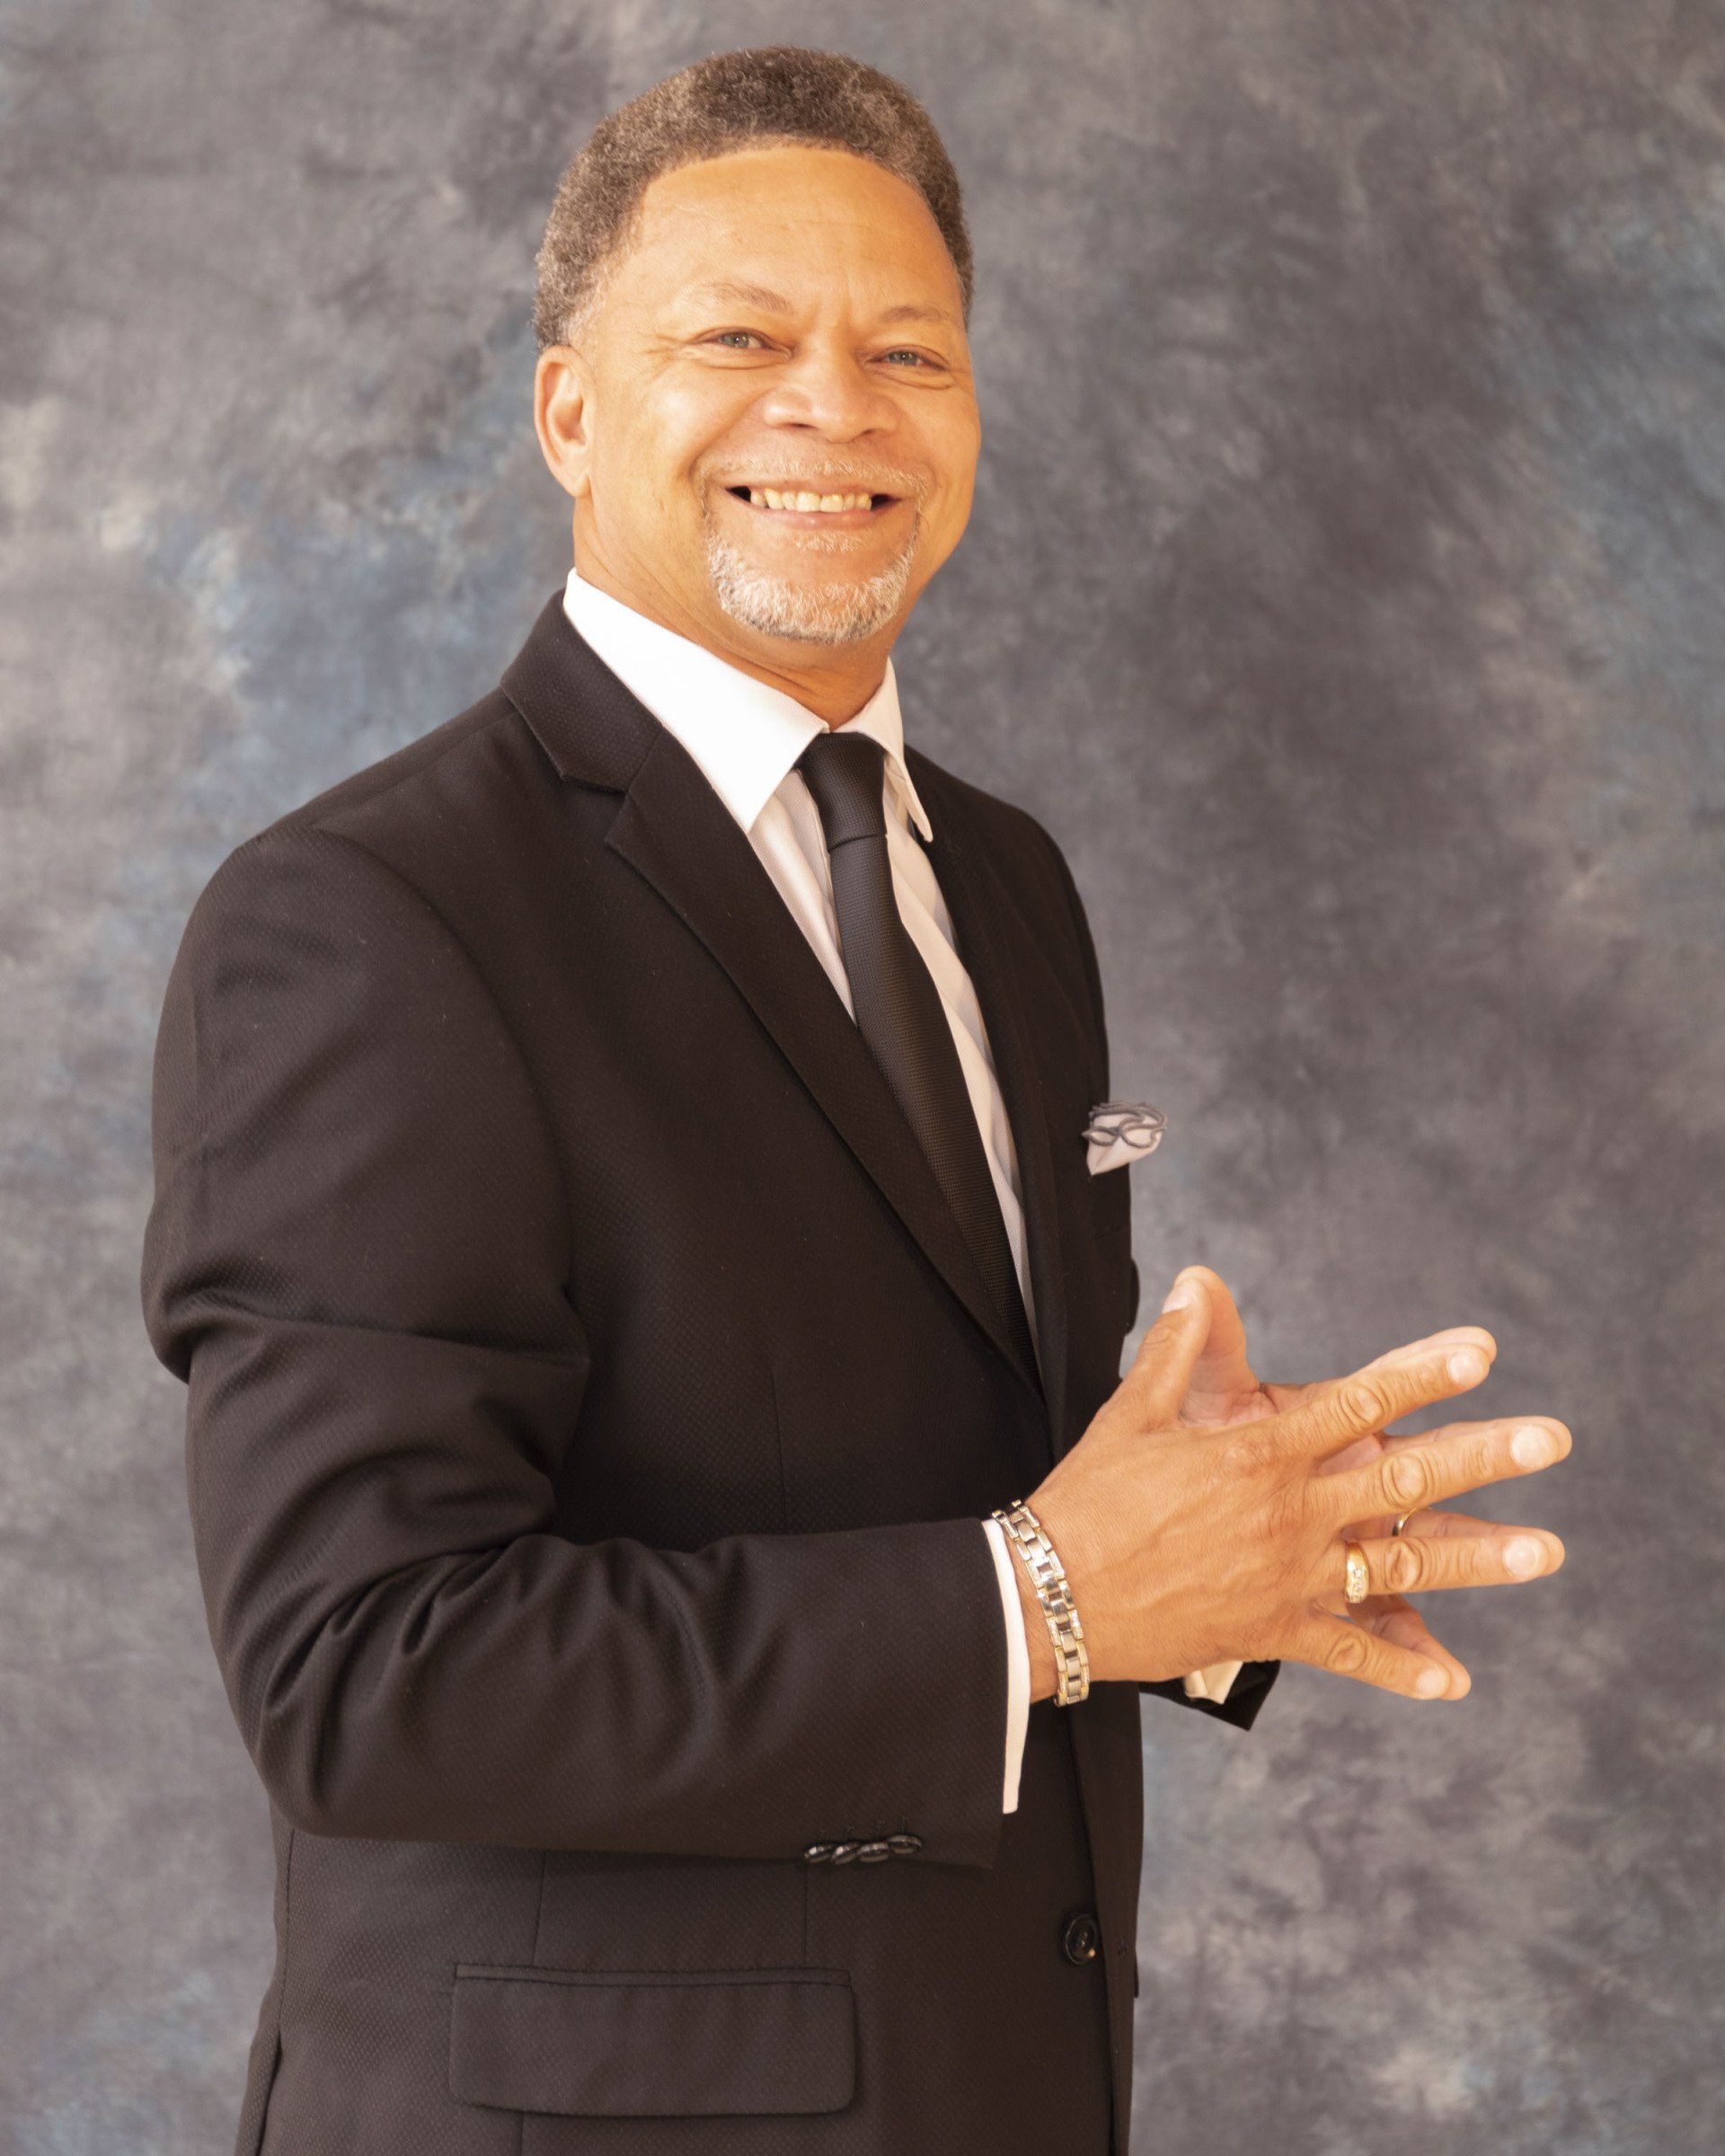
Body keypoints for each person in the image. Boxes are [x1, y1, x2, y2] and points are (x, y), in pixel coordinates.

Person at [139, 43, 1571, 2156]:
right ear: (568, 411)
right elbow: (369, 1668)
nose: (837, 408)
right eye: (741, 337)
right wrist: (1049, 1598)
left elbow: (977, 1491)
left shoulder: (1003, 880)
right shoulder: (365, 921)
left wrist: (1222, 1548)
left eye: (912, 349)